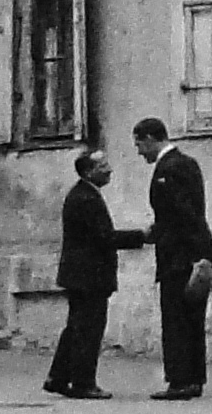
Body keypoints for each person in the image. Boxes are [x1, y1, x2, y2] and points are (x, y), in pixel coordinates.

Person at [45, 148, 145, 400]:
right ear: (89, 172)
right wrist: (141, 236)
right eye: (102, 166)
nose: (109, 170)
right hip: (89, 276)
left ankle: (58, 377)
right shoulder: (86, 198)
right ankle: (83, 383)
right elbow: (104, 237)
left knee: (76, 328)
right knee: (88, 331)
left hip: (80, 275)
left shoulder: (83, 194)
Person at [133, 118, 212, 401]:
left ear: (150, 138)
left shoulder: (169, 168)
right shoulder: (187, 162)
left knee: (176, 320)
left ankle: (180, 380)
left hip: (178, 256)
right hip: (191, 253)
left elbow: (183, 214)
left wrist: (192, 252)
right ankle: (193, 379)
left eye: (139, 144)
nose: (139, 152)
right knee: (192, 320)